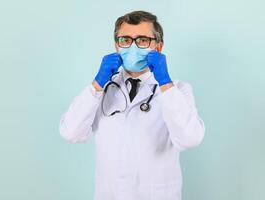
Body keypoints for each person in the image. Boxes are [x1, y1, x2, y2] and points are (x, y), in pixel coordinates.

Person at [59, 10, 205, 200]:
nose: (133, 47)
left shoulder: (178, 91)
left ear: (158, 47)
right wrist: (97, 83)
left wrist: (165, 83)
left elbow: (189, 139)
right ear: (117, 46)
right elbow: (70, 132)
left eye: (142, 40)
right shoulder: (101, 90)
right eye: (125, 40)